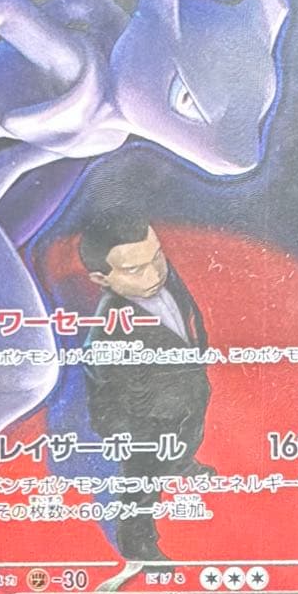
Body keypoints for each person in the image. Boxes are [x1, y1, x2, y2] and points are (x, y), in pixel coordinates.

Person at [79, 213, 212, 563]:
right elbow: (107, 402)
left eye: (157, 257)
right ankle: (137, 543)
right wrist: (138, 442)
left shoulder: (166, 277)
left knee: (189, 437)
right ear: (101, 279)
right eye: (135, 270)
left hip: (187, 395)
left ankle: (181, 463)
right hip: (145, 426)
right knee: (141, 485)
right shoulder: (106, 334)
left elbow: (187, 317)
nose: (154, 275)